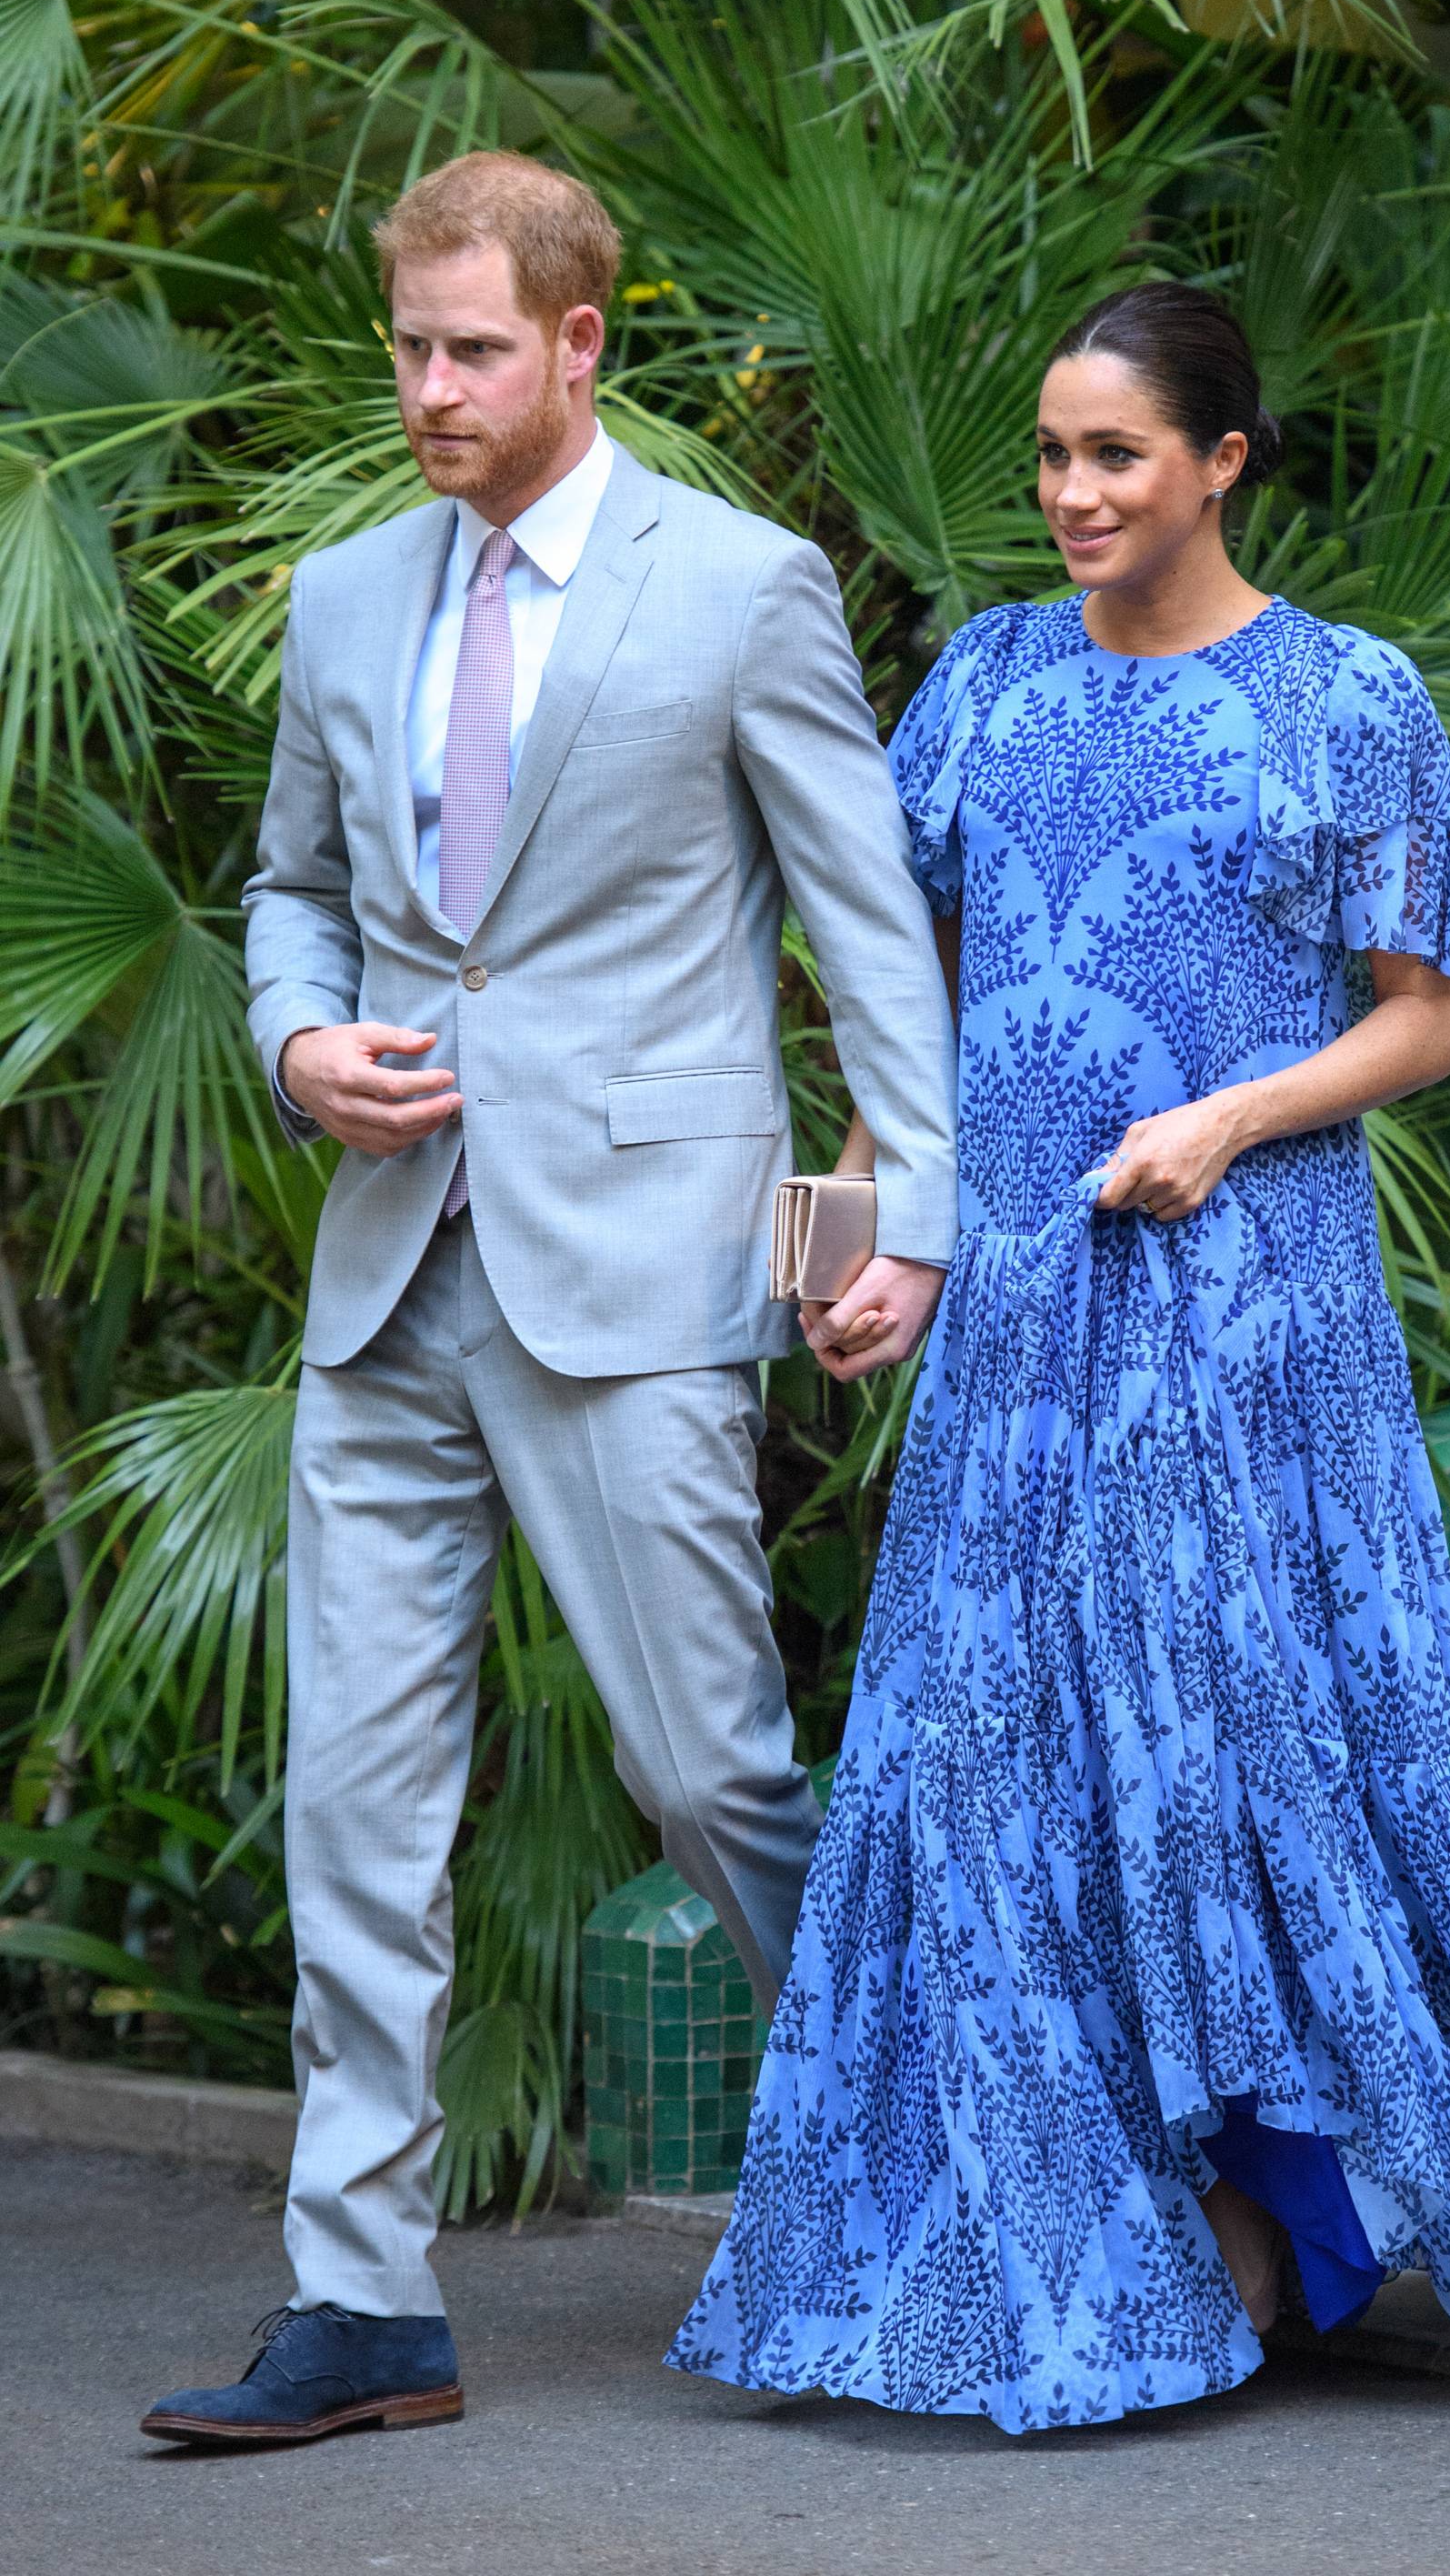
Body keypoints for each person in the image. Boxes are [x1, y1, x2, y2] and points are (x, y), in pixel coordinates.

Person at [667, 281, 1450, 2433]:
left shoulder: (1346, 698)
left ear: (1223, 462)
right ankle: (1074, 2224)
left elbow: (1425, 1017)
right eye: (1049, 458)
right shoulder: (979, 688)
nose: (1067, 496)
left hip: (1243, 1313)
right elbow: (919, 1011)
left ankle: (1294, 2217)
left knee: (1242, 1760)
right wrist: (869, 1242)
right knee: (988, 1758)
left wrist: (1229, 1118)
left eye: (1114, 457)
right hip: (1021, 1329)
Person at [140, 152, 958, 2446]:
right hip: (388, 1279)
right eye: (406, 344)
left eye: (472, 348)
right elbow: (290, 892)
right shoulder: (339, 597)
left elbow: (864, 939)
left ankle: (918, 2162)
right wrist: (297, 1037)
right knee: (358, 1810)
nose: (429, 388)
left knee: (706, 1767)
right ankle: (365, 2302)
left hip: (638, 1270)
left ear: (583, 343)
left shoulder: (747, 588)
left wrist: (892, 1229)